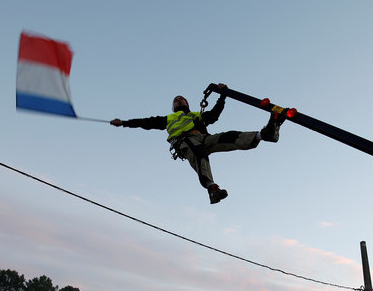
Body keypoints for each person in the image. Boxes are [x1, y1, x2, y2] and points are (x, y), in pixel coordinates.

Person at [110, 84, 284, 205]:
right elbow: (145, 122)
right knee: (199, 153)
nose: (179, 100)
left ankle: (264, 134)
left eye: (182, 99)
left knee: (228, 136)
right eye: (176, 100)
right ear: (173, 107)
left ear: (187, 103)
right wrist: (124, 123)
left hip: (203, 138)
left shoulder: (196, 116)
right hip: (185, 141)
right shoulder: (168, 119)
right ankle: (211, 188)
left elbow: (214, 115)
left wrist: (223, 95)